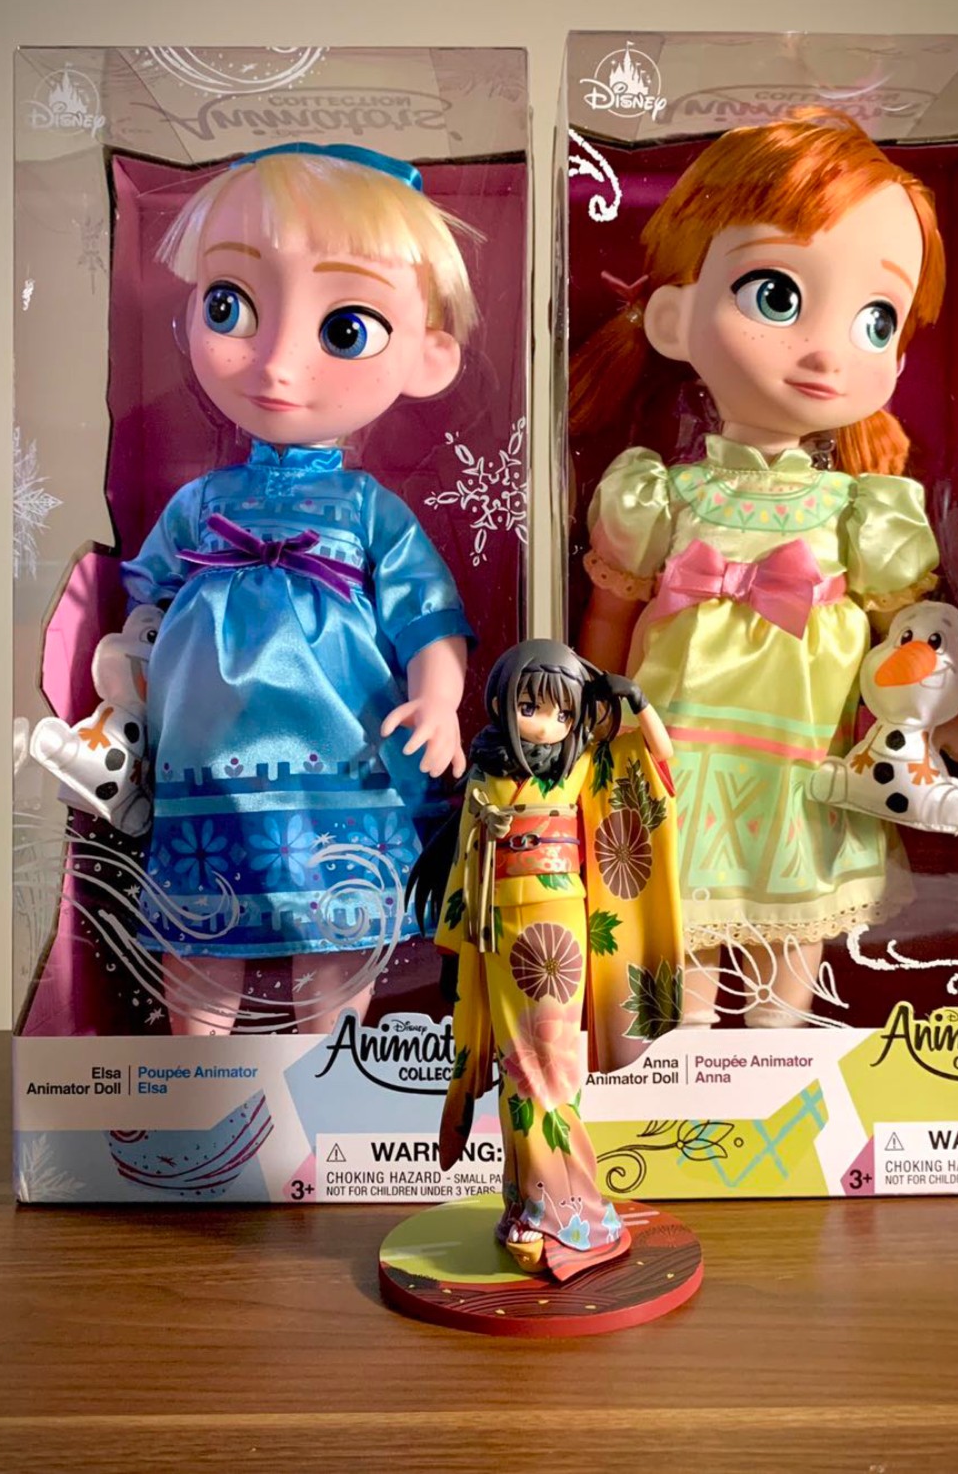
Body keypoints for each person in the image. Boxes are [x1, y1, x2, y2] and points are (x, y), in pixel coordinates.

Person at [574, 115, 958, 1028]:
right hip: (680, 753)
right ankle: (674, 1069)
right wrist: (589, 716)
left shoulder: (861, 509)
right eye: (775, 294)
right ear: (674, 317)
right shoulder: (659, 493)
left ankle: (778, 1067)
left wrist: (938, 721)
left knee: (792, 939)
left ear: (898, 357)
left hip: (806, 760)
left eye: (875, 320)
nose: (828, 351)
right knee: (677, 929)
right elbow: (607, 618)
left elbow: (901, 642)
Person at [107, 143, 476, 1034]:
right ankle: (199, 1078)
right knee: (202, 926)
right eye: (230, 307)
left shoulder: (368, 509)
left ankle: (329, 1070)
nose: (276, 363)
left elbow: (428, 614)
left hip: (340, 751)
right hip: (204, 759)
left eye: (344, 328)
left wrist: (439, 701)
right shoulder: (203, 505)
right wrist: (122, 676)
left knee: (336, 932)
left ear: (429, 356)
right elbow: (143, 605)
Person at [410, 640, 682, 1280]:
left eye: (563, 714)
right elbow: (464, 860)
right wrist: (458, 947)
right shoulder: (485, 770)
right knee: (519, 1068)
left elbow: (659, 762)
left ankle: (565, 1215)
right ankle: (526, 1204)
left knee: (545, 1067)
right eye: (530, 707)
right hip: (495, 927)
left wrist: (638, 703)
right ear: (501, 701)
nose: (546, 725)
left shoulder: (582, 764)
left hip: (556, 926)